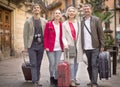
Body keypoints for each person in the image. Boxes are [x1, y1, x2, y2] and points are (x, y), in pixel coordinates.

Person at [81, 4, 104, 87]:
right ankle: (91, 80)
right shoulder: (81, 21)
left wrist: (102, 45)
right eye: (85, 9)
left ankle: (94, 82)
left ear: (91, 9)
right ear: (83, 11)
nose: (86, 10)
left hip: (95, 46)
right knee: (89, 65)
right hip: (86, 48)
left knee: (94, 64)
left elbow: (101, 33)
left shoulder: (96, 20)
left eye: (88, 9)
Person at [23, 4, 46, 87]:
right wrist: (25, 46)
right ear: (32, 10)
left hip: (41, 45)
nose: (36, 9)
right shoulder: (28, 21)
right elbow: (25, 34)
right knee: (33, 63)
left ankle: (37, 80)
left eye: (38, 8)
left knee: (39, 63)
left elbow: (46, 33)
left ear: (40, 10)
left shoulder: (44, 21)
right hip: (31, 45)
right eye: (35, 8)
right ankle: (34, 81)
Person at [62, 6, 83, 87]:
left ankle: (73, 78)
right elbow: (63, 36)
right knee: (71, 63)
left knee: (76, 63)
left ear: (75, 13)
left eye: (73, 11)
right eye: (70, 11)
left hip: (77, 45)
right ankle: (71, 80)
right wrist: (65, 44)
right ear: (68, 13)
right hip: (69, 46)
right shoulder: (64, 24)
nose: (71, 13)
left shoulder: (79, 23)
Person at [44, 10, 64, 86]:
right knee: (52, 63)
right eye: (56, 13)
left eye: (59, 13)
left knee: (57, 64)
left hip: (59, 48)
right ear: (54, 15)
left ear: (60, 15)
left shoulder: (62, 25)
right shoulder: (48, 24)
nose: (57, 14)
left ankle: (56, 79)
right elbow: (45, 36)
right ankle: (51, 77)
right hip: (50, 48)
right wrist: (46, 46)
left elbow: (63, 36)